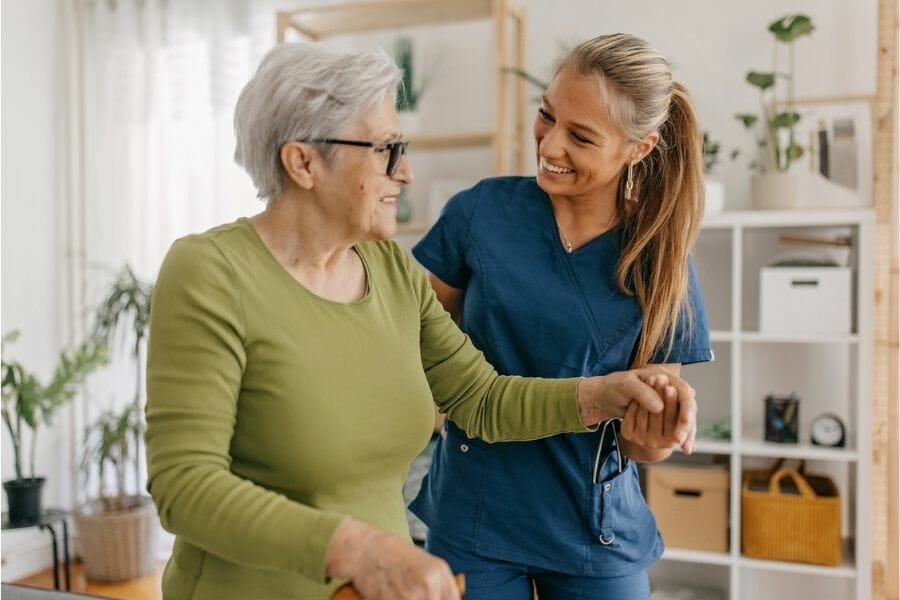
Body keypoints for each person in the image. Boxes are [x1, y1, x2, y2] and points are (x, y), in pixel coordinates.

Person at [144, 42, 697, 600]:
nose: (405, 173)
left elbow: (482, 399)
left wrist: (607, 396)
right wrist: (357, 549)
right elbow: (184, 487)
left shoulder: (387, 270)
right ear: (303, 161)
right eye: (386, 149)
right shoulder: (209, 272)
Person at [409, 33, 713, 600]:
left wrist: (661, 428)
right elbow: (414, 341)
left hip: (592, 532)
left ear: (638, 148)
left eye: (580, 136)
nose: (549, 144)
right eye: (547, 116)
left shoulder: (661, 260)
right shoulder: (479, 214)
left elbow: (646, 447)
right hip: (474, 515)